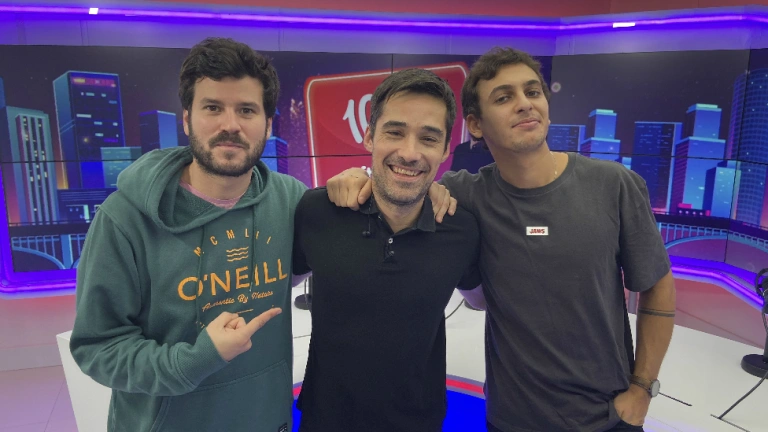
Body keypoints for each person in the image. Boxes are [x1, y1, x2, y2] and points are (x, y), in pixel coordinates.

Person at [326, 47, 676, 432]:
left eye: (533, 91)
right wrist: (357, 176)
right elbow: (401, 184)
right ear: (475, 125)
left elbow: (657, 286)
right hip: (510, 420)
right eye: (504, 97)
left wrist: (642, 389)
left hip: (608, 418)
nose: (525, 104)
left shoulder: (613, 185)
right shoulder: (468, 194)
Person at [69, 37, 308, 432]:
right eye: (212, 107)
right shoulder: (124, 218)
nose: (230, 125)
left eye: (246, 110)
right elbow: (98, 348)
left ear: (267, 124)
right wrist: (195, 360)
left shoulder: (291, 200)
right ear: (186, 119)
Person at [292, 68, 482, 431]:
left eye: (428, 138)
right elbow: (283, 281)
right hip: (326, 418)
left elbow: (481, 300)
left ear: (445, 150)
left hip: (419, 421)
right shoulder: (317, 212)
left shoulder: (461, 229)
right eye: (394, 132)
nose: (409, 153)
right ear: (369, 136)